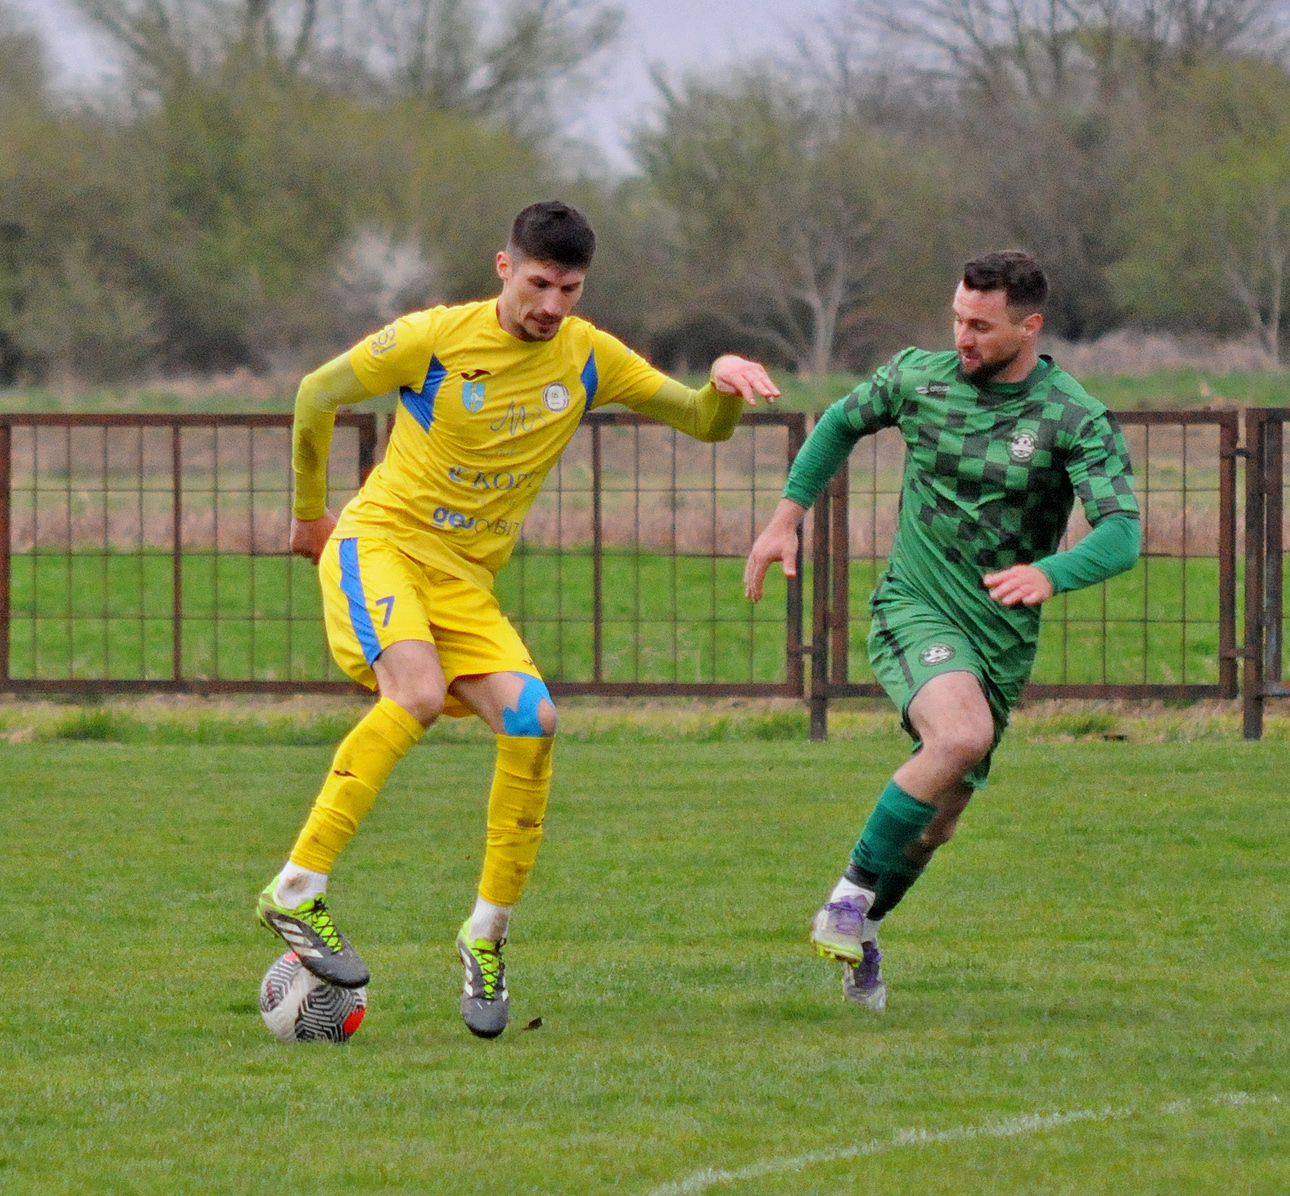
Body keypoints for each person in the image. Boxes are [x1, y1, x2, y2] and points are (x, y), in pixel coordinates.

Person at [258, 200, 780, 1037]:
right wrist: (309, 515)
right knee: (415, 694)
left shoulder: (588, 356)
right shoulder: (434, 338)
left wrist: (720, 383)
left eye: (569, 290)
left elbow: (699, 422)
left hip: (464, 581)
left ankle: (486, 935)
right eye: (538, 284)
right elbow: (317, 393)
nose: (551, 305)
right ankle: (296, 888)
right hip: (382, 542)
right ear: (504, 267)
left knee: (535, 719)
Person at [744, 251, 1141, 1010]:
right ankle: (846, 899)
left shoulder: (1071, 416)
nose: (962, 337)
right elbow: (839, 424)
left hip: (1000, 639)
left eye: (980, 326)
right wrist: (784, 519)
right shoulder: (916, 378)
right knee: (961, 736)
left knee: (939, 822)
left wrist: (1052, 572)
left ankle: (865, 928)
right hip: (915, 607)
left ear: (1030, 326)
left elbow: (1123, 533)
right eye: (957, 319)